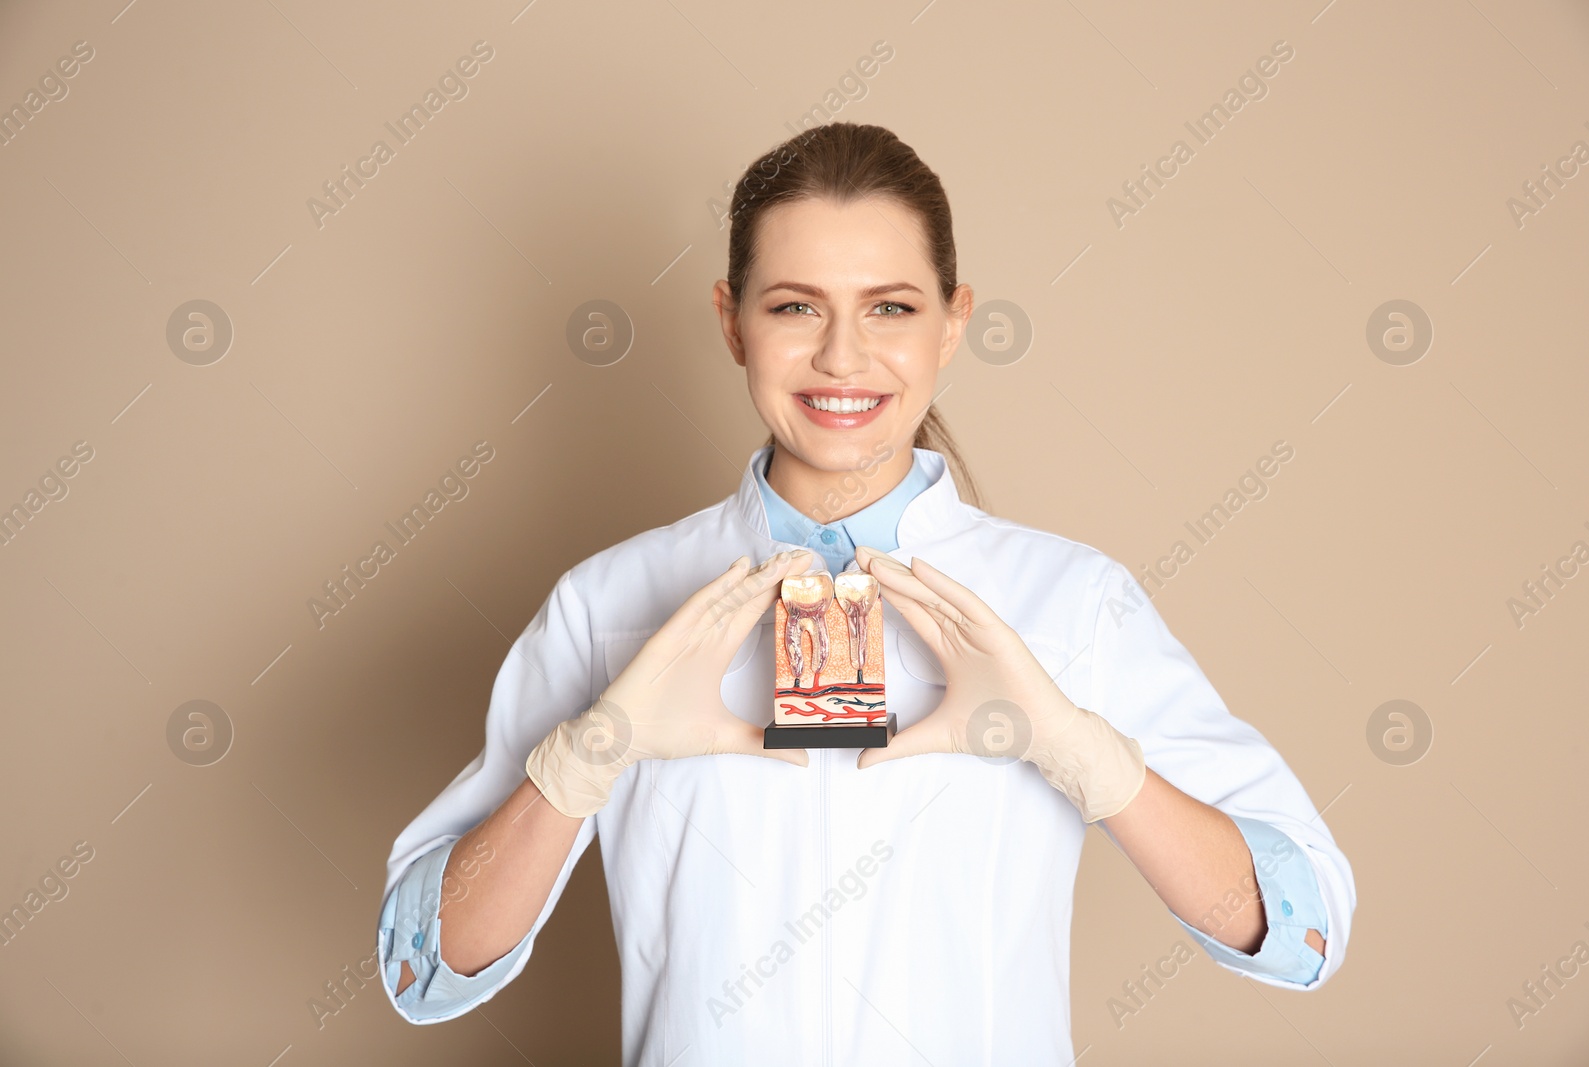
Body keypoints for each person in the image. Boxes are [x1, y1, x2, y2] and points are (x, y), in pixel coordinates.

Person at [377, 122, 1355, 1064]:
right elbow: (424, 968)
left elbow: (1301, 928)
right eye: (794, 305)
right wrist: (586, 754)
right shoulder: (614, 604)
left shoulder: (1069, 603)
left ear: (953, 322)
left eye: (890, 306)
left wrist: (1087, 755)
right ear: (730, 321)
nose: (842, 356)